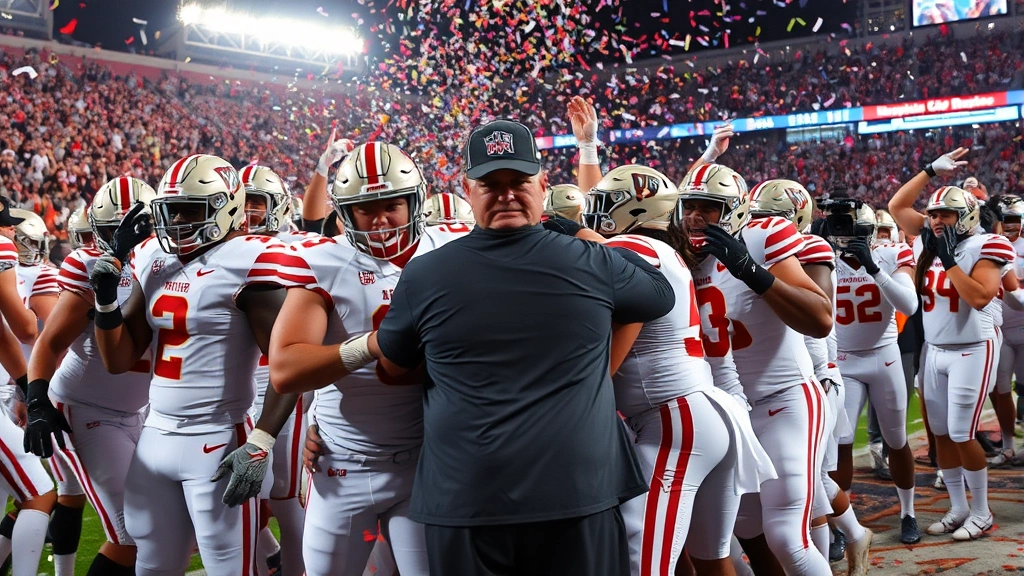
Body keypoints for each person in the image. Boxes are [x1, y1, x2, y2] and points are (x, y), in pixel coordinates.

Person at [356, 119, 674, 575]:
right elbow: (657, 292)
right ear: (468, 190)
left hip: (473, 495)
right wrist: (582, 233)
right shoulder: (591, 260)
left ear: (543, 185)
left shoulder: (425, 274)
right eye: (490, 183)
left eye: (518, 182)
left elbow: (396, 361)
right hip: (567, 490)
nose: (506, 194)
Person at [89, 154, 293, 575]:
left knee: (229, 566)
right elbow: (118, 358)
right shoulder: (152, 258)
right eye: (171, 209)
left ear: (229, 207)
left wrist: (262, 441)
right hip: (155, 435)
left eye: (191, 210)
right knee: (153, 565)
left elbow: (290, 364)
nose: (178, 220)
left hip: (218, 440)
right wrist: (105, 299)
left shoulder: (250, 258)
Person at [269, 141, 463, 576]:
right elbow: (284, 370)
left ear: (416, 200)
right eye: (365, 209)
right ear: (344, 212)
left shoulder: (454, 248)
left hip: (428, 463)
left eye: (392, 205)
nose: (380, 221)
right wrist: (371, 345)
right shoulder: (324, 261)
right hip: (344, 466)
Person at [583, 164, 773, 576]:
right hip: (702, 414)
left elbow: (595, 259)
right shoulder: (661, 250)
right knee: (710, 560)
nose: (592, 216)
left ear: (633, 212)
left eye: (604, 206)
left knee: (641, 561)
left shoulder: (634, 250)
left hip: (674, 421)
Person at [676, 163, 835, 575]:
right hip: (729, 413)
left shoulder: (763, 237)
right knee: (746, 531)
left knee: (786, 534)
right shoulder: (676, 253)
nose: (693, 216)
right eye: (687, 206)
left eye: (706, 207)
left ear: (731, 210)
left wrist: (750, 270)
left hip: (785, 399)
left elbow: (820, 319)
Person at [22, 176, 156, 576]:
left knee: (161, 526)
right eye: (114, 230)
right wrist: (36, 400)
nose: (123, 239)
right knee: (130, 534)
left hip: (143, 410)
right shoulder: (87, 265)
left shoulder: (167, 263)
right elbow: (48, 342)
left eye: (132, 229)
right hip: (89, 410)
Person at [888, 148, 1010, 541]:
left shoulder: (987, 245)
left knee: (962, 432)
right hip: (935, 349)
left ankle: (982, 510)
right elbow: (896, 205)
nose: (937, 220)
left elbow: (978, 297)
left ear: (968, 217)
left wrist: (949, 260)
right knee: (940, 435)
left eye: (946, 214)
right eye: (934, 214)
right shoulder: (929, 239)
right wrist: (929, 170)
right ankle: (958, 506)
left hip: (973, 348)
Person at [821, 200, 921, 545]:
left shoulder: (891, 253)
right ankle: (839, 522)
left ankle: (908, 511)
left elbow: (909, 305)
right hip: (844, 361)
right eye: (839, 229)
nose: (843, 237)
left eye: (851, 230)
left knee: (896, 440)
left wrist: (873, 268)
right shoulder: (821, 255)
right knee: (841, 444)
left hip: (884, 356)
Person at [239, 163, 314, 576]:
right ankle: (270, 557)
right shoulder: (221, 248)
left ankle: (295, 567)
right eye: (243, 201)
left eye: (257, 201)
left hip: (281, 378)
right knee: (236, 492)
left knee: (284, 491)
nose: (249, 211)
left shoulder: (302, 245)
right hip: (233, 381)